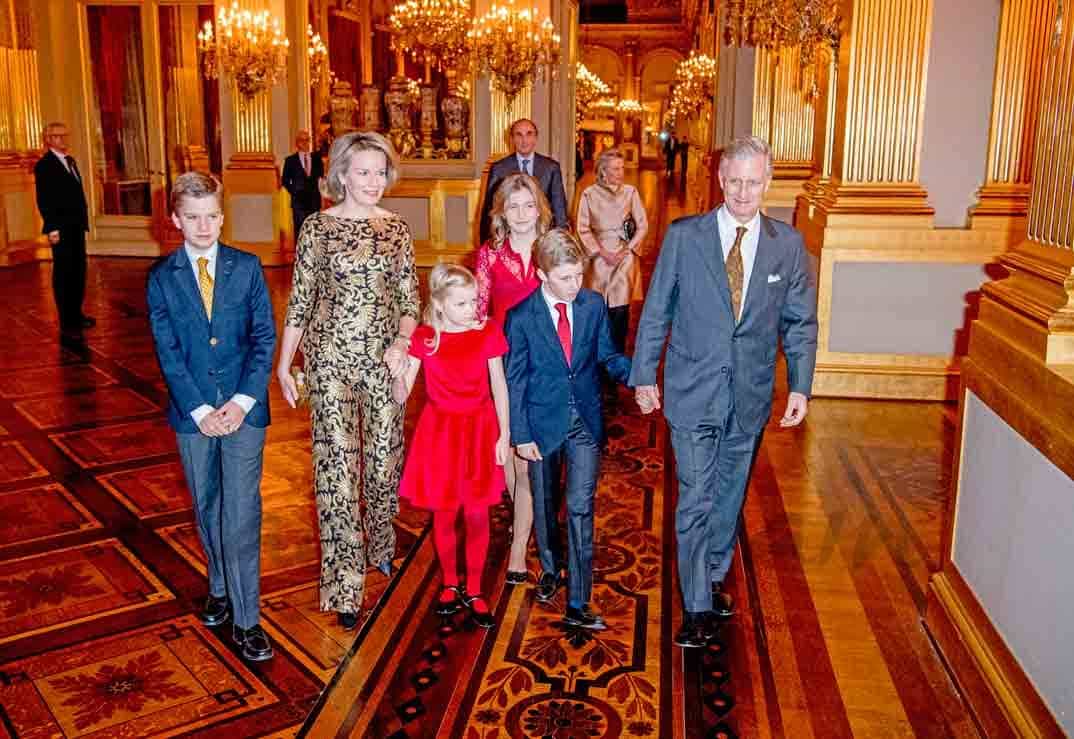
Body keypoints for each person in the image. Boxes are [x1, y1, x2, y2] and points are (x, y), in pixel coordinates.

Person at [631, 135, 818, 648]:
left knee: (729, 494)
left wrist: (800, 383)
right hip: (691, 390)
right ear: (719, 179)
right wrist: (645, 373)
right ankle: (695, 606)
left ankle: (712, 576)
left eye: (752, 182)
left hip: (751, 394)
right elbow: (657, 311)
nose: (742, 191)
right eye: (734, 181)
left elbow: (800, 321)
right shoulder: (684, 237)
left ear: (767, 183)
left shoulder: (788, 245)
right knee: (694, 495)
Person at [276, 131, 420, 631]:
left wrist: (402, 344)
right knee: (337, 474)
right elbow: (300, 299)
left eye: (380, 172)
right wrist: (283, 362)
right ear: (340, 174)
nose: (373, 182)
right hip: (329, 361)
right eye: (363, 172)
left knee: (382, 468)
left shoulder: (397, 228)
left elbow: (409, 300)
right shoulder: (317, 228)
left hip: (383, 363)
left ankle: (380, 543)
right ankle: (344, 585)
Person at [147, 172, 277, 662]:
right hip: (193, 412)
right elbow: (168, 352)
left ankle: (248, 619)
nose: (204, 226)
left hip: (245, 410)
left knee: (241, 512)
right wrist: (200, 410)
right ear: (176, 220)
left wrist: (242, 401)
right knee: (207, 505)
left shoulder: (246, 268)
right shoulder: (162, 278)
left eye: (212, 216)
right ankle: (220, 587)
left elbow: (264, 339)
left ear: (223, 217)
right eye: (193, 217)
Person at [505, 228, 632, 630]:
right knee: (544, 501)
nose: (575, 285)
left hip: (585, 423)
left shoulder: (593, 306)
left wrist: (639, 376)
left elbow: (608, 355)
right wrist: (520, 435)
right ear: (542, 274)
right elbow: (516, 380)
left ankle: (579, 599)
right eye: (565, 278)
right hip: (541, 426)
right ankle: (549, 566)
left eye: (579, 276)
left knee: (580, 506)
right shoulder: (521, 317)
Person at [394, 264, 510, 628]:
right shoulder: (426, 339)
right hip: (440, 432)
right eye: (461, 303)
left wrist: (504, 435)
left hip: (479, 428)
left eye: (474, 301)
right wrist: (397, 372)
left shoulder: (486, 331)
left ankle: (474, 588)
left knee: (477, 512)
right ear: (441, 305)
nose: (472, 309)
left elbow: (499, 386)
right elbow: (401, 395)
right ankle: (449, 582)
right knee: (444, 512)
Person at [475, 173, 552, 585]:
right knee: (512, 456)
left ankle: (519, 548)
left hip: (547, 363)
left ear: (539, 207)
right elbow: (479, 310)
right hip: (504, 366)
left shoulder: (553, 249)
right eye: (513, 206)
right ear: (501, 211)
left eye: (528, 205)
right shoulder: (490, 255)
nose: (521, 214)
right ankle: (523, 532)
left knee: (529, 461)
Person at [576, 148, 649, 360]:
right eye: (615, 168)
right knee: (597, 312)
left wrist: (628, 249)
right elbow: (582, 228)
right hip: (598, 258)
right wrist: (600, 251)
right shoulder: (588, 194)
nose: (620, 172)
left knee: (620, 313)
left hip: (624, 257)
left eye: (622, 168)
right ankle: (595, 362)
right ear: (603, 171)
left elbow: (643, 225)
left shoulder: (631, 192)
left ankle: (616, 360)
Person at [34, 121, 92, 342]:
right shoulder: (44, 165)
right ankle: (67, 320)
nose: (63, 140)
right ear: (48, 139)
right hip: (60, 228)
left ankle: (76, 314)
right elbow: (44, 200)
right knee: (64, 273)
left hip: (76, 225)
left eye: (65, 135)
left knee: (78, 271)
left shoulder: (70, 161)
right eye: (58, 136)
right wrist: (52, 228)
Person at [479, 118, 568, 244]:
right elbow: (489, 211)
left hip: (542, 239)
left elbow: (560, 211)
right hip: (509, 238)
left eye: (529, 134)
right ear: (512, 139)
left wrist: (561, 243)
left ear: (536, 137)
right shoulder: (499, 168)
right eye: (519, 135)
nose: (524, 140)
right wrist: (488, 244)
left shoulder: (551, 168)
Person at [281, 130, 324, 243]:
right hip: (298, 203)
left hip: (314, 201)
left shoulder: (316, 159)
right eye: (302, 140)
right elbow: (285, 180)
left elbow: (321, 177)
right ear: (297, 143)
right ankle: (300, 256)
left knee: (314, 229)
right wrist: (294, 191)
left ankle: (314, 257)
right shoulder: (290, 161)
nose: (305, 143)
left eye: (307, 140)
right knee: (300, 230)